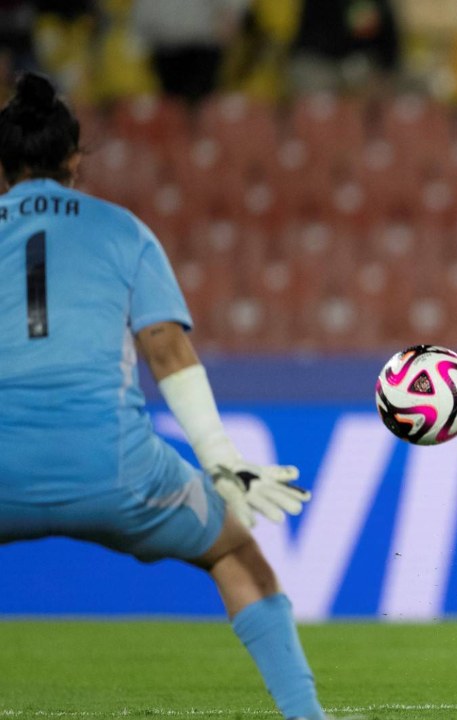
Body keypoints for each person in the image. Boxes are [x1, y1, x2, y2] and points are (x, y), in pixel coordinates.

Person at [0, 73, 326, 720]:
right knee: (235, 551)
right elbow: (167, 350)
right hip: (115, 469)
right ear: (74, 160)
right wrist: (219, 455)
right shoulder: (123, 231)